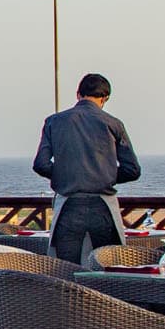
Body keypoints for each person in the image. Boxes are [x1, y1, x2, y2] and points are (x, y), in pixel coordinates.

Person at [33, 73, 142, 266]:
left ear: (78, 95)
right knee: (109, 269)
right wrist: (104, 175)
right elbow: (132, 169)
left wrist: (66, 174)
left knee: (66, 270)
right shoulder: (113, 124)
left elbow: (41, 164)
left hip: (68, 206)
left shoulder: (53, 122)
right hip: (103, 207)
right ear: (104, 98)